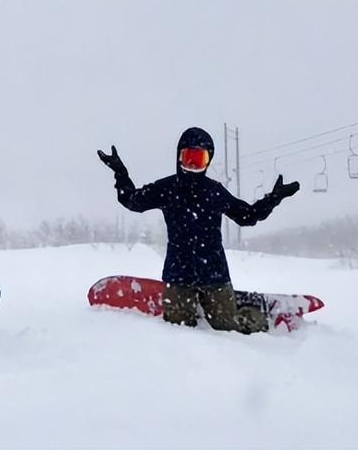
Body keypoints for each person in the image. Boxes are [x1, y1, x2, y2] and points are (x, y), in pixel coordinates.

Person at [98, 127, 299, 334]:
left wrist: (274, 198)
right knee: (179, 329)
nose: (193, 166)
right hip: (178, 275)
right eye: (188, 158)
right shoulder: (167, 188)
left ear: (208, 161)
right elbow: (132, 201)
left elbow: (247, 216)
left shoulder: (215, 191)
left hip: (214, 275)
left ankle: (258, 314)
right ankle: (201, 310)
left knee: (228, 326)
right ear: (179, 157)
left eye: (199, 160)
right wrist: (120, 172)